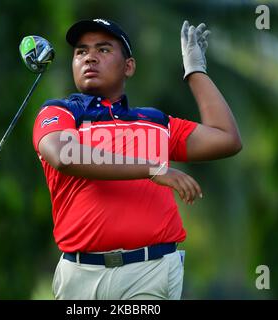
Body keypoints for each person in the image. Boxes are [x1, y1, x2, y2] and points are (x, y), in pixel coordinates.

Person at [32, 18, 241, 300]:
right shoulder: (60, 113)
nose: (90, 57)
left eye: (103, 50)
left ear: (128, 66)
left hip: (150, 271)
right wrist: (152, 169)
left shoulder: (156, 123)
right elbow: (63, 155)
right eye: (81, 51)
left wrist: (196, 71)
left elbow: (226, 139)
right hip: (80, 275)